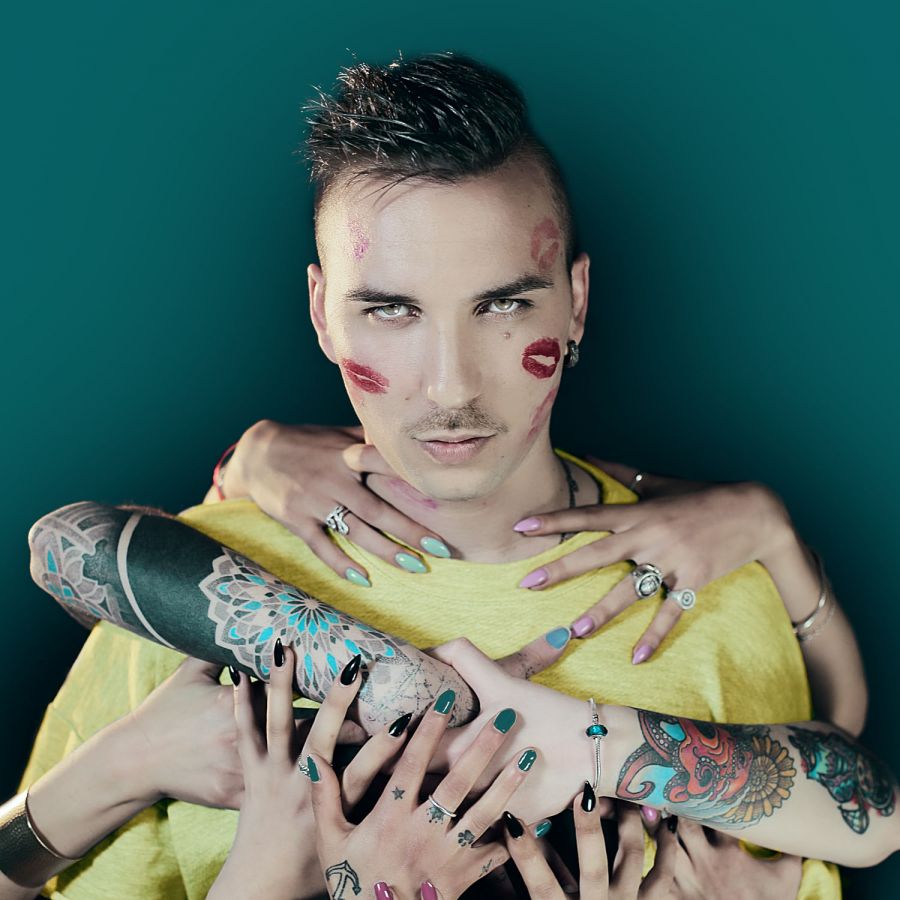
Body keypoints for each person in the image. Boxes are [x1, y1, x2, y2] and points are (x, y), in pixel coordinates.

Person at [9, 51, 888, 897]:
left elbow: (863, 795)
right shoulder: (183, 599)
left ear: (576, 302)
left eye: (503, 304)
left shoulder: (711, 591)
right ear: (322, 314)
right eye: (391, 310)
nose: (451, 386)